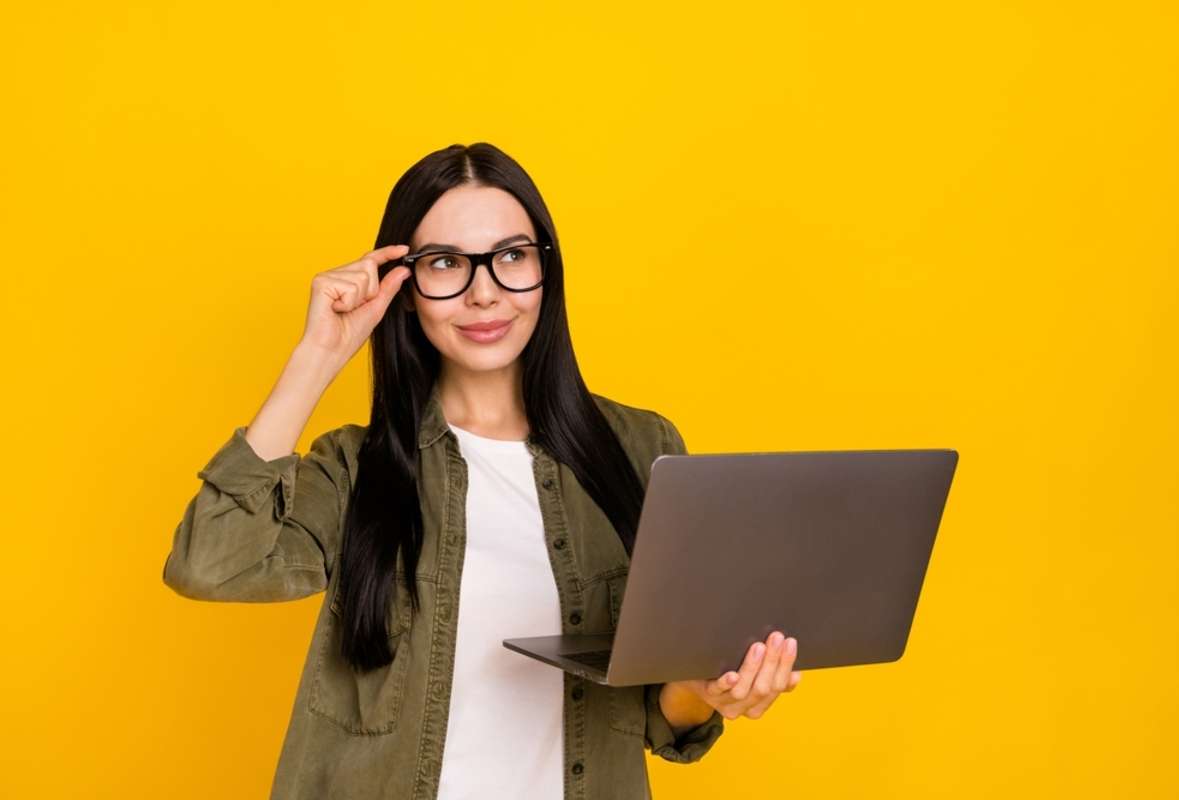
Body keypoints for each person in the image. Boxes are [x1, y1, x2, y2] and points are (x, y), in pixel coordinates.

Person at [162, 142, 801, 800]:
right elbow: (209, 561)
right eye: (445, 264)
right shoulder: (355, 469)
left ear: (545, 270)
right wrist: (319, 356)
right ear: (403, 290)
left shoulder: (641, 450)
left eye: (512, 257)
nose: (485, 292)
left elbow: (658, 715)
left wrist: (707, 691)